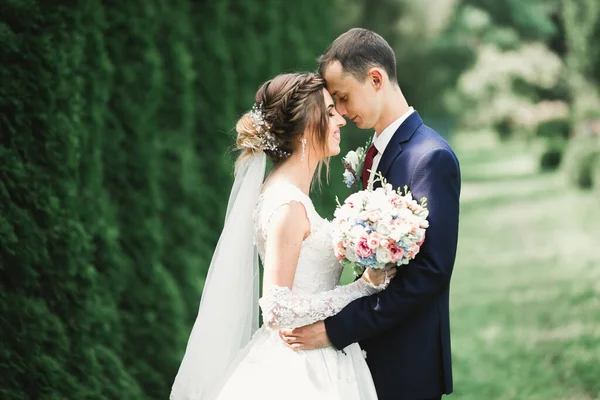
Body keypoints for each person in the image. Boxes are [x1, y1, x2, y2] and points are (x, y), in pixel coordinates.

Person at [170, 72, 398, 400]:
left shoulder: (290, 196)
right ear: (308, 125)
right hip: (299, 368)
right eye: (331, 112)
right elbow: (277, 309)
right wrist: (361, 289)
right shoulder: (287, 204)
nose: (341, 120)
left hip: (320, 353)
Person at [279, 28, 462, 400]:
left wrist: (336, 329)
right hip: (367, 355)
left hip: (405, 361)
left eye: (343, 98)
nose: (341, 113)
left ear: (376, 78)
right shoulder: (372, 153)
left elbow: (429, 275)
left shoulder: (429, 157)